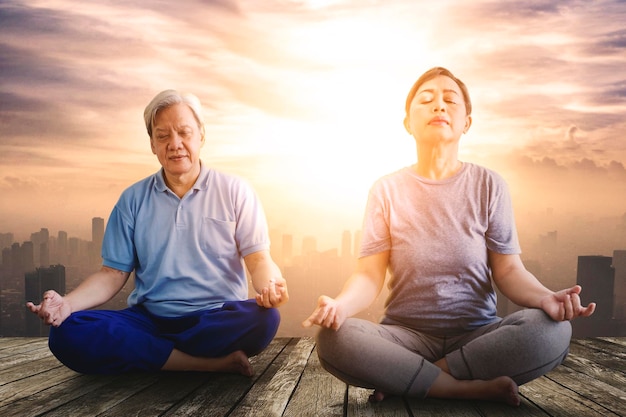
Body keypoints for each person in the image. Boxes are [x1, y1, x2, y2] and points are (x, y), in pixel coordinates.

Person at [302, 67, 595, 406]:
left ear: (466, 123)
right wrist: (340, 305)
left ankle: (416, 379)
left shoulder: (490, 185)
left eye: (449, 100)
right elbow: (369, 275)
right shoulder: (386, 190)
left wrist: (546, 298)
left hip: (478, 336)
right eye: (426, 100)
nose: (438, 106)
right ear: (408, 124)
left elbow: (509, 271)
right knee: (335, 339)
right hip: (404, 337)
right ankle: (461, 388)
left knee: (555, 329)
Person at [27, 89, 288, 376]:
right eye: (163, 136)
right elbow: (112, 274)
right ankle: (205, 364)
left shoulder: (236, 191)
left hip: (213, 319)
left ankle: (152, 354)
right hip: (149, 320)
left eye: (184, 133)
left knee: (265, 319)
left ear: (201, 135)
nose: (175, 144)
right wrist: (66, 304)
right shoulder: (132, 199)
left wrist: (270, 287)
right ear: (152, 144)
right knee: (66, 333)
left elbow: (258, 260)